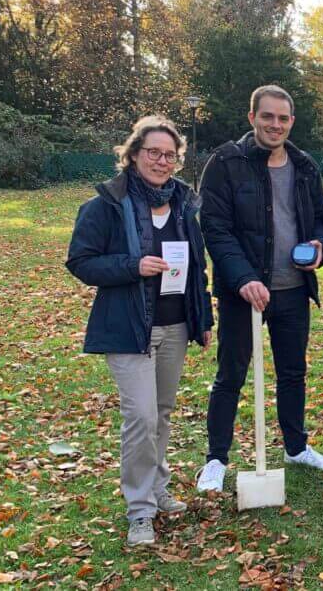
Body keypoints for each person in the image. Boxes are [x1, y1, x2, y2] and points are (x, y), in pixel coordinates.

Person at [66, 115, 213, 547]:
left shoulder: (185, 203)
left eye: (170, 155)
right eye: (153, 152)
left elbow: (196, 266)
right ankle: (139, 511)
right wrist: (132, 267)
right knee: (141, 418)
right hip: (129, 327)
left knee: (162, 414)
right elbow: (80, 261)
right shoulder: (107, 204)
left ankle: (157, 489)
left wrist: (202, 319)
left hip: (175, 325)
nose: (162, 161)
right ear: (132, 154)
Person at [196, 85, 323, 492]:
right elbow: (216, 229)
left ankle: (296, 447)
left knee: (293, 372)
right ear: (252, 117)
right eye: (268, 117)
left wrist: (320, 247)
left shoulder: (304, 165)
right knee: (231, 373)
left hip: (293, 290)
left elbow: (319, 222)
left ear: (291, 121)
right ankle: (216, 460)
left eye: (283, 118)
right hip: (244, 292)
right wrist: (244, 279)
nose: (275, 125)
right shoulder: (226, 162)